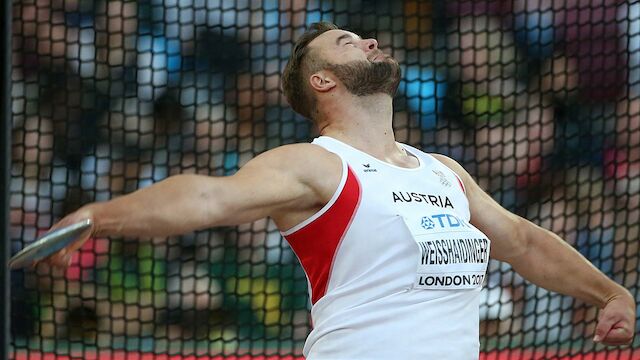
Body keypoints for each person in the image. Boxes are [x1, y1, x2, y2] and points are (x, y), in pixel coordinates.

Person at [39, 22, 635, 359]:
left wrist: (609, 293)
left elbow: (523, 242)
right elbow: (207, 199)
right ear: (321, 80)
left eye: (365, 40)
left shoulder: (443, 171)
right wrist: (100, 215)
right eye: (348, 43)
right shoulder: (319, 165)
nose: (370, 43)